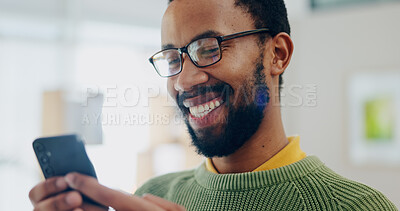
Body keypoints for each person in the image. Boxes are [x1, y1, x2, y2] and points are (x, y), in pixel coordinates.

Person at [29, 0, 397, 210]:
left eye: (209, 49)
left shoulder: (358, 207)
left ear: (277, 54)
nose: (184, 81)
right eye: (173, 58)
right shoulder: (153, 196)